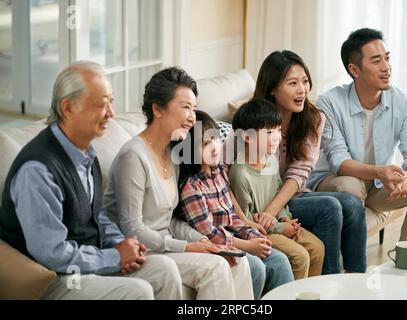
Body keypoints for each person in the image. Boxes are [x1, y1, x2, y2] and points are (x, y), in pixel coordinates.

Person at [0, 61, 182, 300]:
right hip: (55, 277)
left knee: (165, 270)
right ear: (68, 108)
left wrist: (122, 244)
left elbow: (97, 217)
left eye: (111, 101)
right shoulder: (37, 170)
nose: (111, 113)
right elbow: (52, 253)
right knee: (139, 291)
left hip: (89, 260)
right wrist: (115, 257)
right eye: (101, 104)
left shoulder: (86, 153)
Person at [103, 67, 254, 300]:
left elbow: (169, 220)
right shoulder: (133, 157)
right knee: (216, 267)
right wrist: (188, 247)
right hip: (142, 250)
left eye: (194, 108)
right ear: (157, 109)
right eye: (185, 107)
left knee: (236, 262)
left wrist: (201, 240)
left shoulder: (173, 153)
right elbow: (132, 229)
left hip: (166, 244)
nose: (192, 117)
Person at [307, 28, 407, 253]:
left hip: (378, 186)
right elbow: (339, 161)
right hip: (335, 182)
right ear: (354, 69)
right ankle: (351, 260)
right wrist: (380, 172)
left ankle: (406, 260)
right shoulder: (329, 102)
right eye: (376, 60)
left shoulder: (403, 100)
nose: (387, 67)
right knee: (351, 184)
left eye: (387, 58)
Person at [248, 50, 367, 274]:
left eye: (304, 81)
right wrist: (271, 213)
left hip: (292, 196)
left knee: (352, 205)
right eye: (292, 83)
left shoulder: (313, 118)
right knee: (329, 206)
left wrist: (273, 211)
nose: (302, 89)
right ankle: (328, 283)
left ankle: (356, 281)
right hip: (263, 201)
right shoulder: (255, 122)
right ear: (272, 88)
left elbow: (299, 172)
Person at [176, 110, 294, 299]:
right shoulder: (192, 187)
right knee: (255, 268)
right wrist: (248, 245)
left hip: (233, 235)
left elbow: (232, 217)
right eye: (205, 144)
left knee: (279, 260)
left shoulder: (220, 170)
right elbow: (209, 233)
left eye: (214, 139)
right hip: (214, 243)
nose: (214, 147)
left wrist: (254, 235)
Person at [228, 98, 324, 279]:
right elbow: (245, 222)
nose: (276, 137)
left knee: (317, 248)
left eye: (278, 131)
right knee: (300, 256)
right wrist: (281, 228)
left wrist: (285, 218)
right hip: (261, 232)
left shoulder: (270, 159)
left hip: (278, 223)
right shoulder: (240, 174)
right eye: (269, 132)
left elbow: (278, 193)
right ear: (247, 137)